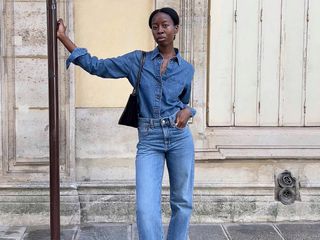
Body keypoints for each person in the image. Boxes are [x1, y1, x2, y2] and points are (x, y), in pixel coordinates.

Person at [57, 7, 196, 240]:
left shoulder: (186, 69)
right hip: (149, 139)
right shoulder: (137, 61)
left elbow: (184, 102)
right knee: (145, 207)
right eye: (155, 26)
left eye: (165, 25)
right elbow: (97, 66)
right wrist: (63, 38)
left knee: (182, 201)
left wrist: (189, 111)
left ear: (176, 29)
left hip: (179, 138)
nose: (160, 30)